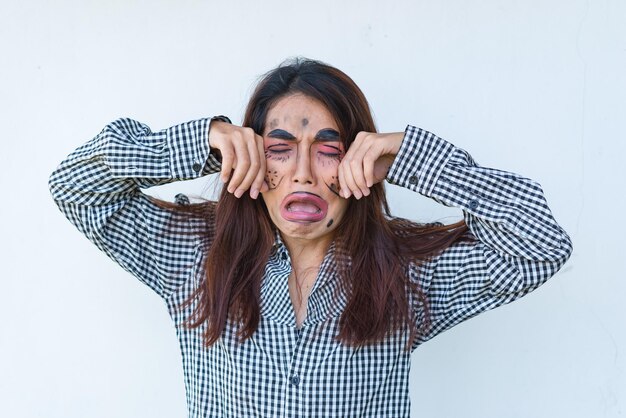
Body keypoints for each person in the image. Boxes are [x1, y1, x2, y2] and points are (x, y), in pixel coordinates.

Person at [49, 58, 572, 417]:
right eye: (280, 147)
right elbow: (74, 188)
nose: (302, 173)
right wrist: (199, 144)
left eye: (328, 148)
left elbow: (542, 245)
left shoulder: (407, 277)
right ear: (249, 157)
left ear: (360, 162)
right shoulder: (193, 256)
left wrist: (414, 158)